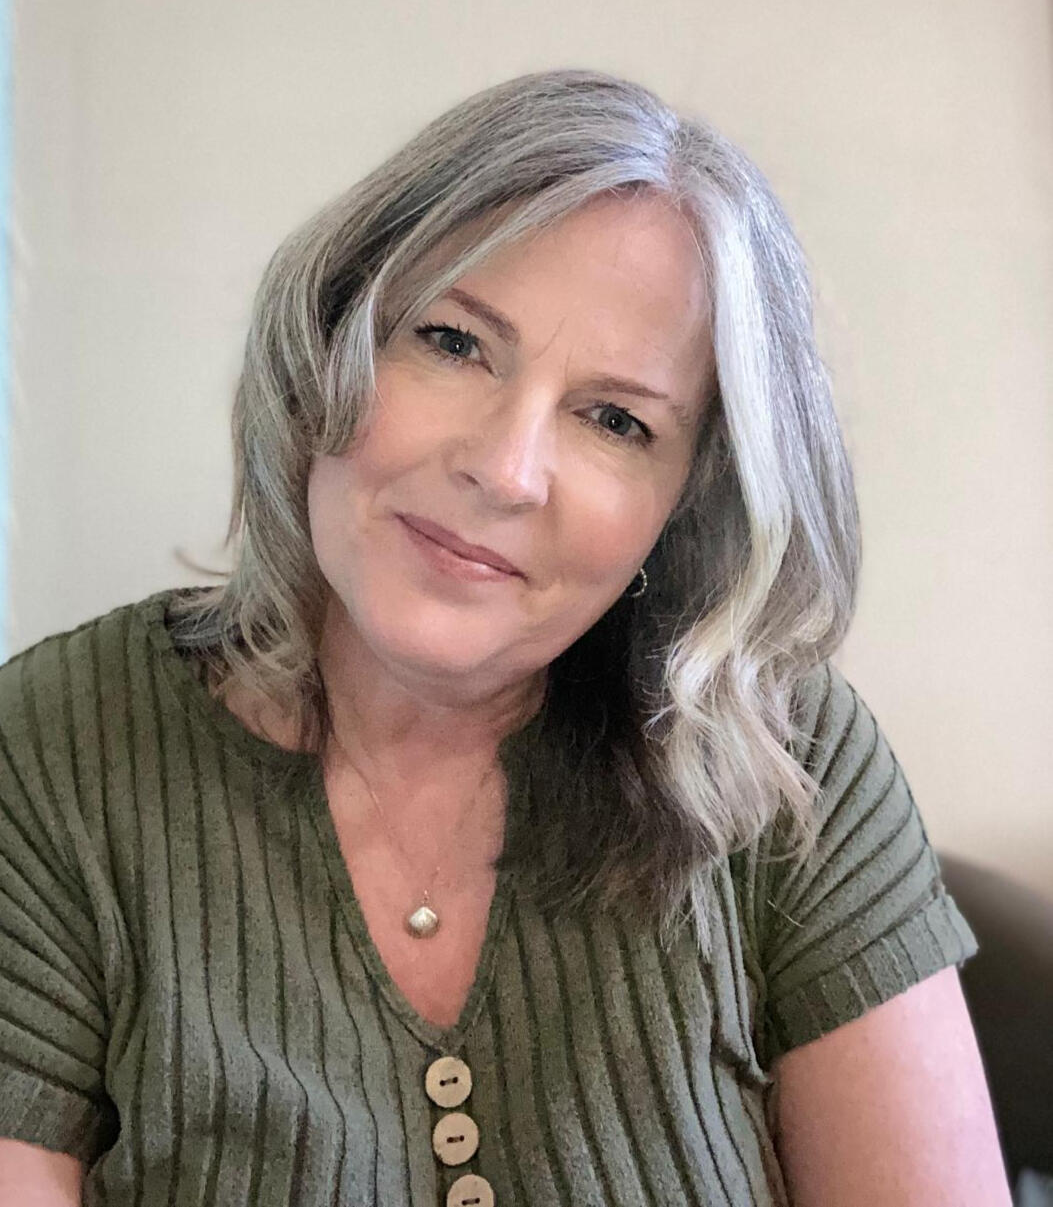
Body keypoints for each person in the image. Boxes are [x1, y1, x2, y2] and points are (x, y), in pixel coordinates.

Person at [0, 68, 1011, 1206]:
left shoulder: (787, 760)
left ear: (685, 506)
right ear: (329, 335)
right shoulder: (50, 750)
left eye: (616, 420)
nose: (506, 468)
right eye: (453, 342)